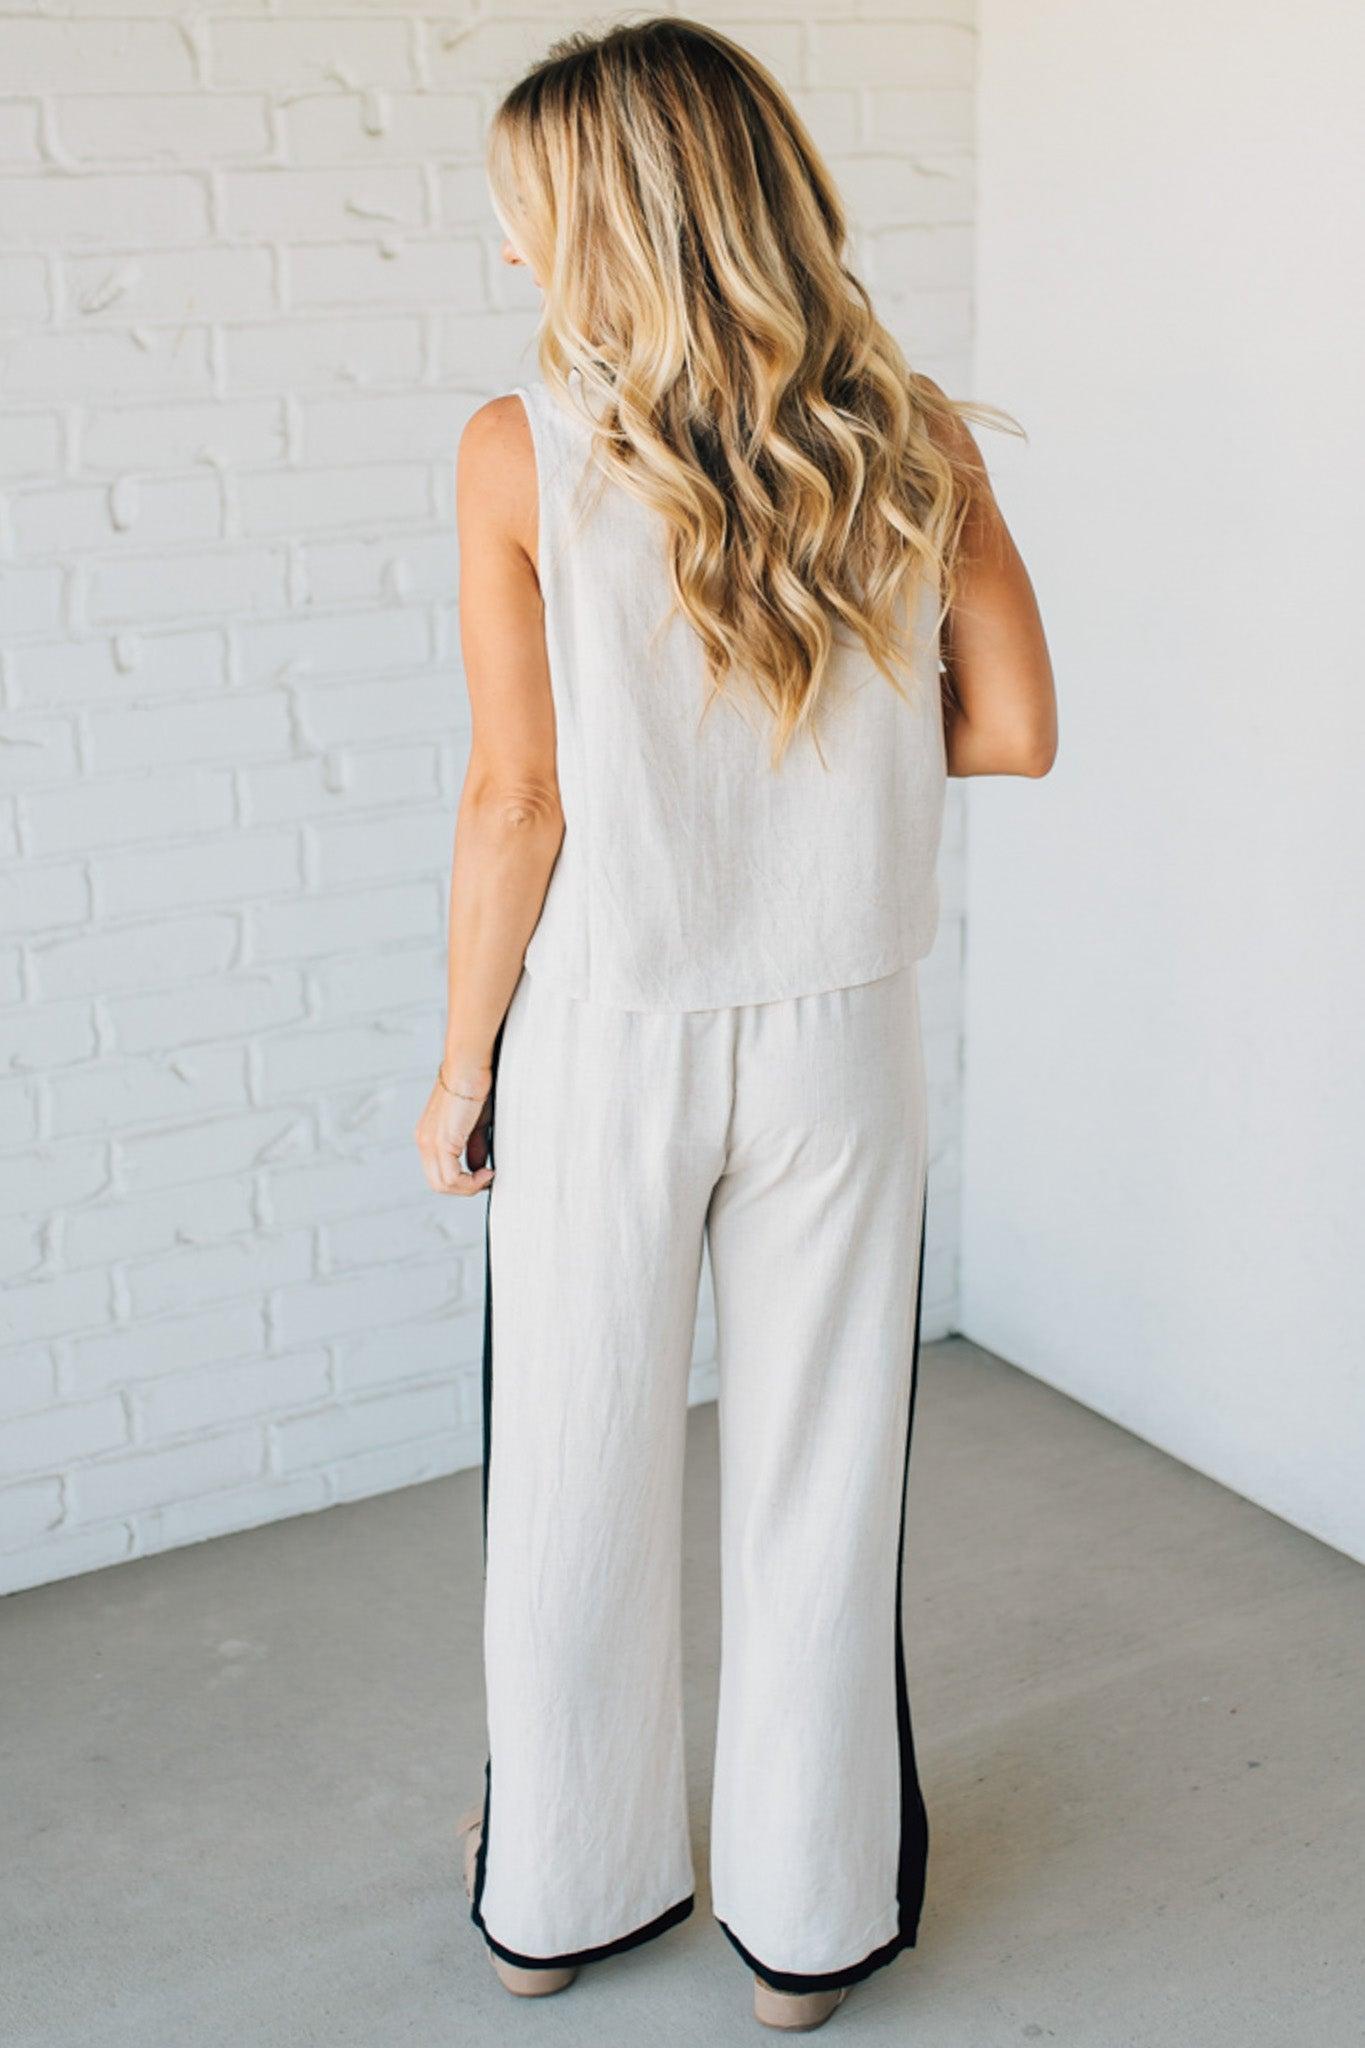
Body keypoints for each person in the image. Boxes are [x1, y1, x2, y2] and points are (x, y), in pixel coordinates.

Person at [414, 17, 1056, 2033]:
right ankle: (805, 1933)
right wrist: (829, 775)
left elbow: (517, 799)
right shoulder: (907, 427)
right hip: (842, 1028)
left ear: (601, 217)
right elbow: (1017, 731)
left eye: (524, 211)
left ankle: (555, 1905)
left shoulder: (517, 447)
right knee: (819, 1476)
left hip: (608, 1025)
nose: (509, 254)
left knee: (575, 1471)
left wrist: (456, 1074)